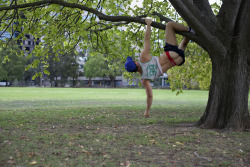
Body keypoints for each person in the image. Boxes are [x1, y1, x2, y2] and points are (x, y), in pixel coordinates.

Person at [125, 19, 191, 118]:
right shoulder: (143, 58)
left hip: (177, 61)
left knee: (185, 42)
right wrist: (148, 24)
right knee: (169, 25)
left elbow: (150, 95)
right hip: (170, 54)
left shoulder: (144, 79)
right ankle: (190, 30)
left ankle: (191, 32)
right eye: (134, 60)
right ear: (135, 62)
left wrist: (147, 111)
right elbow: (147, 39)